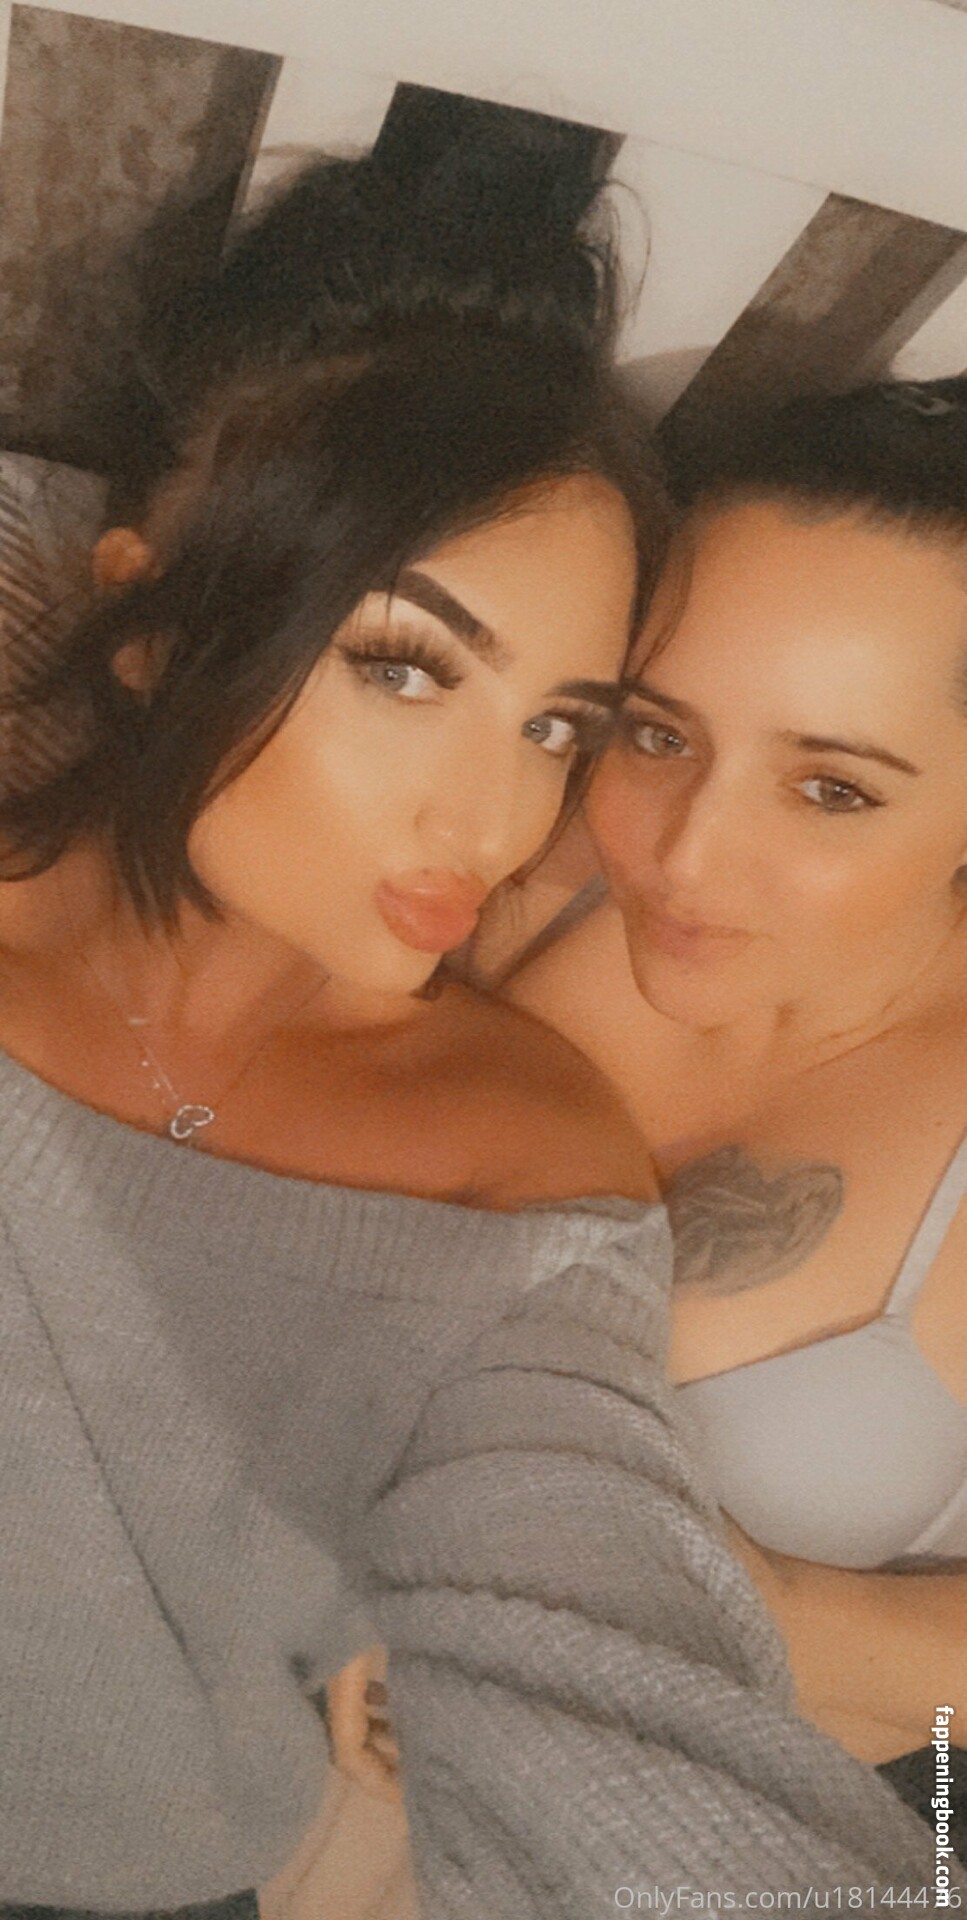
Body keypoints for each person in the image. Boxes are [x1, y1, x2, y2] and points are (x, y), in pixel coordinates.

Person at [0, 118, 943, 1920]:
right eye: (407, 665)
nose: (504, 823)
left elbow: (600, 1650)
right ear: (144, 621)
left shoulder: (516, 1168)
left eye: (555, 725)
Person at [496, 376, 967, 1865]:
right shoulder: (532, 863)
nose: (688, 857)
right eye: (657, 734)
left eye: (831, 790)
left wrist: (730, 1610)